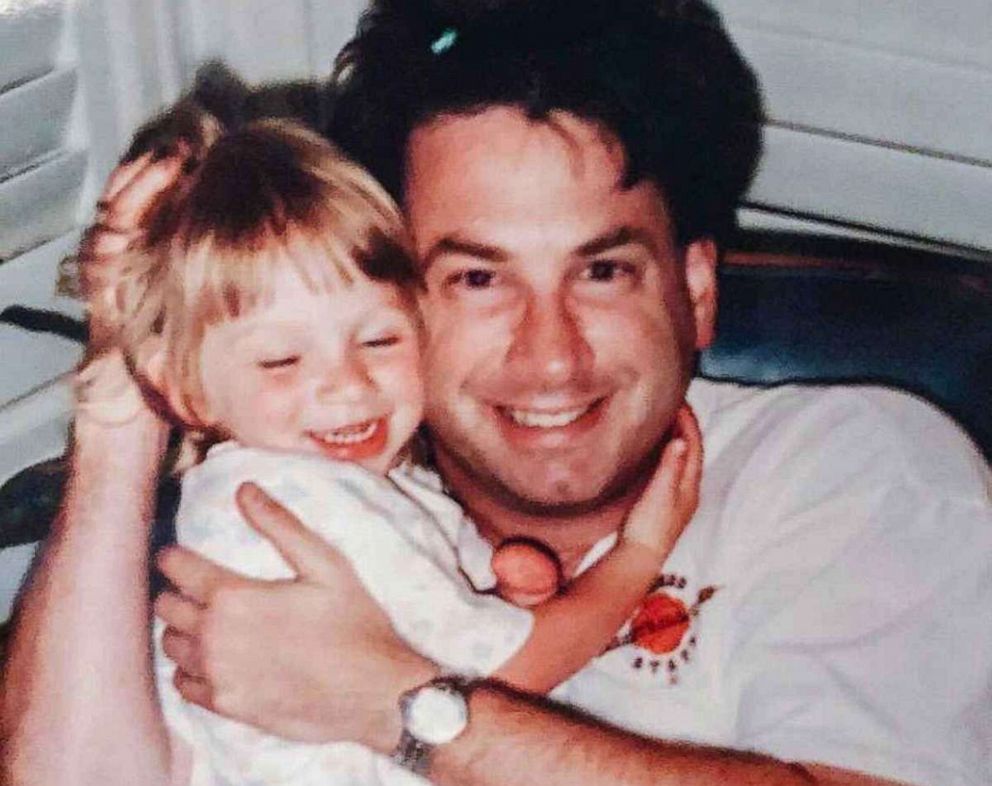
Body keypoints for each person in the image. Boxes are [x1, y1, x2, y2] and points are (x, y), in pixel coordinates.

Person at [3, 1, 990, 785]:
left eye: (600, 273)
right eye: (477, 278)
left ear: (692, 289)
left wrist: (397, 704)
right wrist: (124, 409)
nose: (550, 355)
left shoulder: (850, 468)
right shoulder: (309, 493)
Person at [76, 115, 701, 785]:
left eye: (379, 341)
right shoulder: (304, 505)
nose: (348, 385)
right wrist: (638, 556)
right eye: (283, 360)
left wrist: (506, 599)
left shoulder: (258, 488)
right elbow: (511, 680)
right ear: (185, 389)